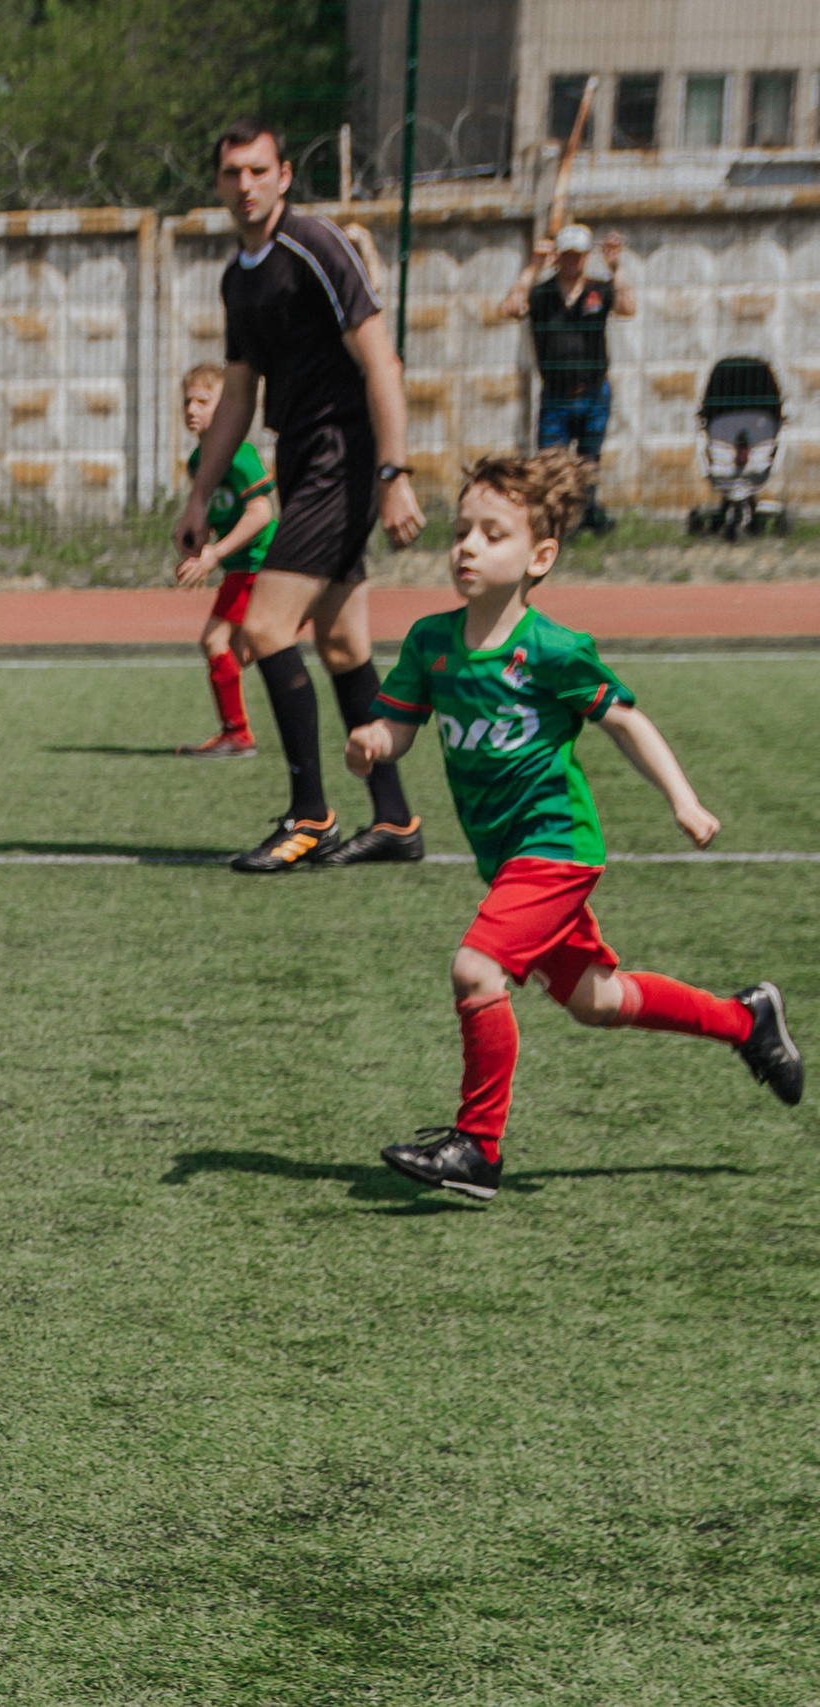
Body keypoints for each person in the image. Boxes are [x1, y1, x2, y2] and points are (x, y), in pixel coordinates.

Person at [345, 452, 802, 1201]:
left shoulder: (552, 649)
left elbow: (626, 721)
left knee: (475, 969)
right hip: (509, 859)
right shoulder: (431, 642)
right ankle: (744, 1020)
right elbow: (398, 728)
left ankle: (478, 1148)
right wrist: (371, 745)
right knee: (596, 999)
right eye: (462, 529)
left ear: (541, 556)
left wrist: (682, 800)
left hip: (555, 848)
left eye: (493, 533)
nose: (466, 545)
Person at [177, 117, 428, 874]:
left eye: (259, 171)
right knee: (344, 645)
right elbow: (240, 395)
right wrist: (197, 498)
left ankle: (310, 816)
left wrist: (394, 472)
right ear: (219, 183)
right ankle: (394, 820)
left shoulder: (315, 247)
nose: (246, 186)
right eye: (233, 174)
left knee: (263, 628)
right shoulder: (239, 277)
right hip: (301, 458)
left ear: (284, 175)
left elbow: (381, 359)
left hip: (342, 457)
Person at [172, 362, 278, 759]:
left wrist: (214, 553)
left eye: (203, 400)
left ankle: (237, 733)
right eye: (187, 401)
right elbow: (219, 513)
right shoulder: (200, 462)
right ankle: (236, 729)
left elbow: (260, 512)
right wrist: (196, 542)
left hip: (259, 565)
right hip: (241, 567)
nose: (192, 409)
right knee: (238, 649)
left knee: (214, 640)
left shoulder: (239, 455)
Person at [501, 224, 634, 536]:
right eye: (568, 255)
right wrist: (532, 268)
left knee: (590, 460)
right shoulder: (541, 294)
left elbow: (628, 307)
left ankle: (588, 515)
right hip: (556, 395)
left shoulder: (598, 290)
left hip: (593, 392)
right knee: (551, 464)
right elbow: (509, 307)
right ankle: (558, 522)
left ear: (587, 257)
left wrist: (616, 267)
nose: (573, 261)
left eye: (579, 255)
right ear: (558, 256)